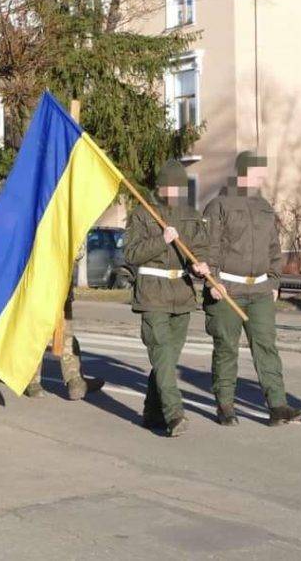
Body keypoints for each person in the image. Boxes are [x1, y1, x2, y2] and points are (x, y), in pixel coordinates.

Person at [203, 151, 301, 427]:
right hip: (227, 289)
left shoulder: (263, 206)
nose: (261, 177)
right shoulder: (220, 205)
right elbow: (209, 247)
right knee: (226, 348)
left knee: (266, 347)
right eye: (257, 172)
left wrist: (274, 281)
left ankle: (277, 406)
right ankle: (225, 405)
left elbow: (274, 247)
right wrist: (211, 281)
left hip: (260, 290)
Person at [124, 160, 210, 437]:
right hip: (152, 294)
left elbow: (199, 249)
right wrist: (162, 239)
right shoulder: (142, 213)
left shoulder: (190, 214)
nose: (175, 193)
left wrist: (201, 266)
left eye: (180, 188)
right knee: (161, 353)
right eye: (171, 187)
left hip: (182, 294)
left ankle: (151, 411)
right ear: (160, 186)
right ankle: (174, 414)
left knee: (167, 360)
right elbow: (131, 254)